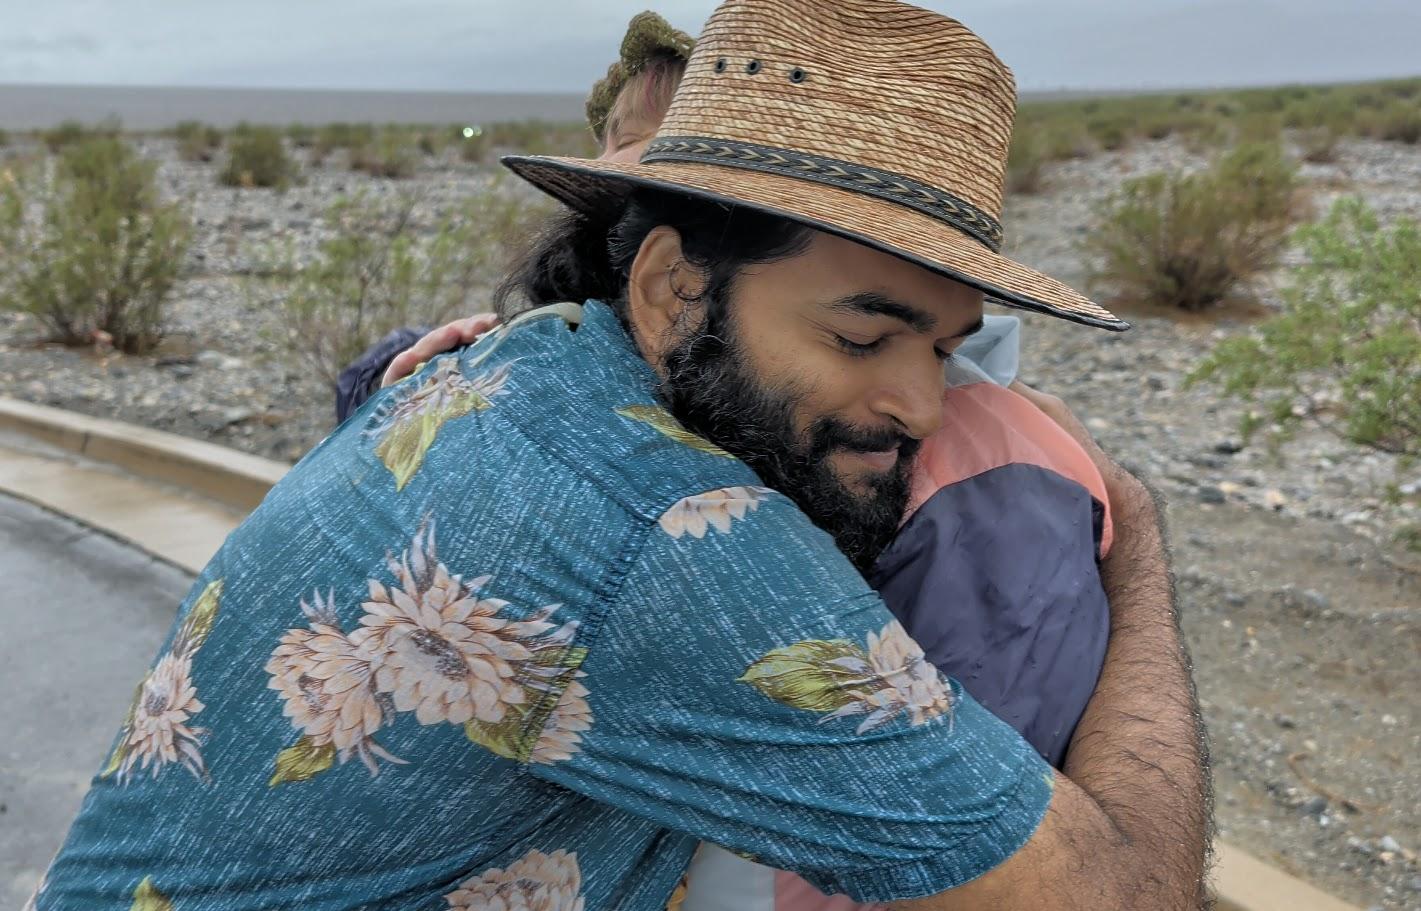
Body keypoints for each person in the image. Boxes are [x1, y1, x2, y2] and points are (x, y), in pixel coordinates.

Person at [32, 2, 1209, 909]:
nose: (919, 404)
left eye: (947, 348)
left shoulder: (522, 362)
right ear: (669, 286)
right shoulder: (674, 536)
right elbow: (1120, 892)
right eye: (862, 336)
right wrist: (1137, 536)